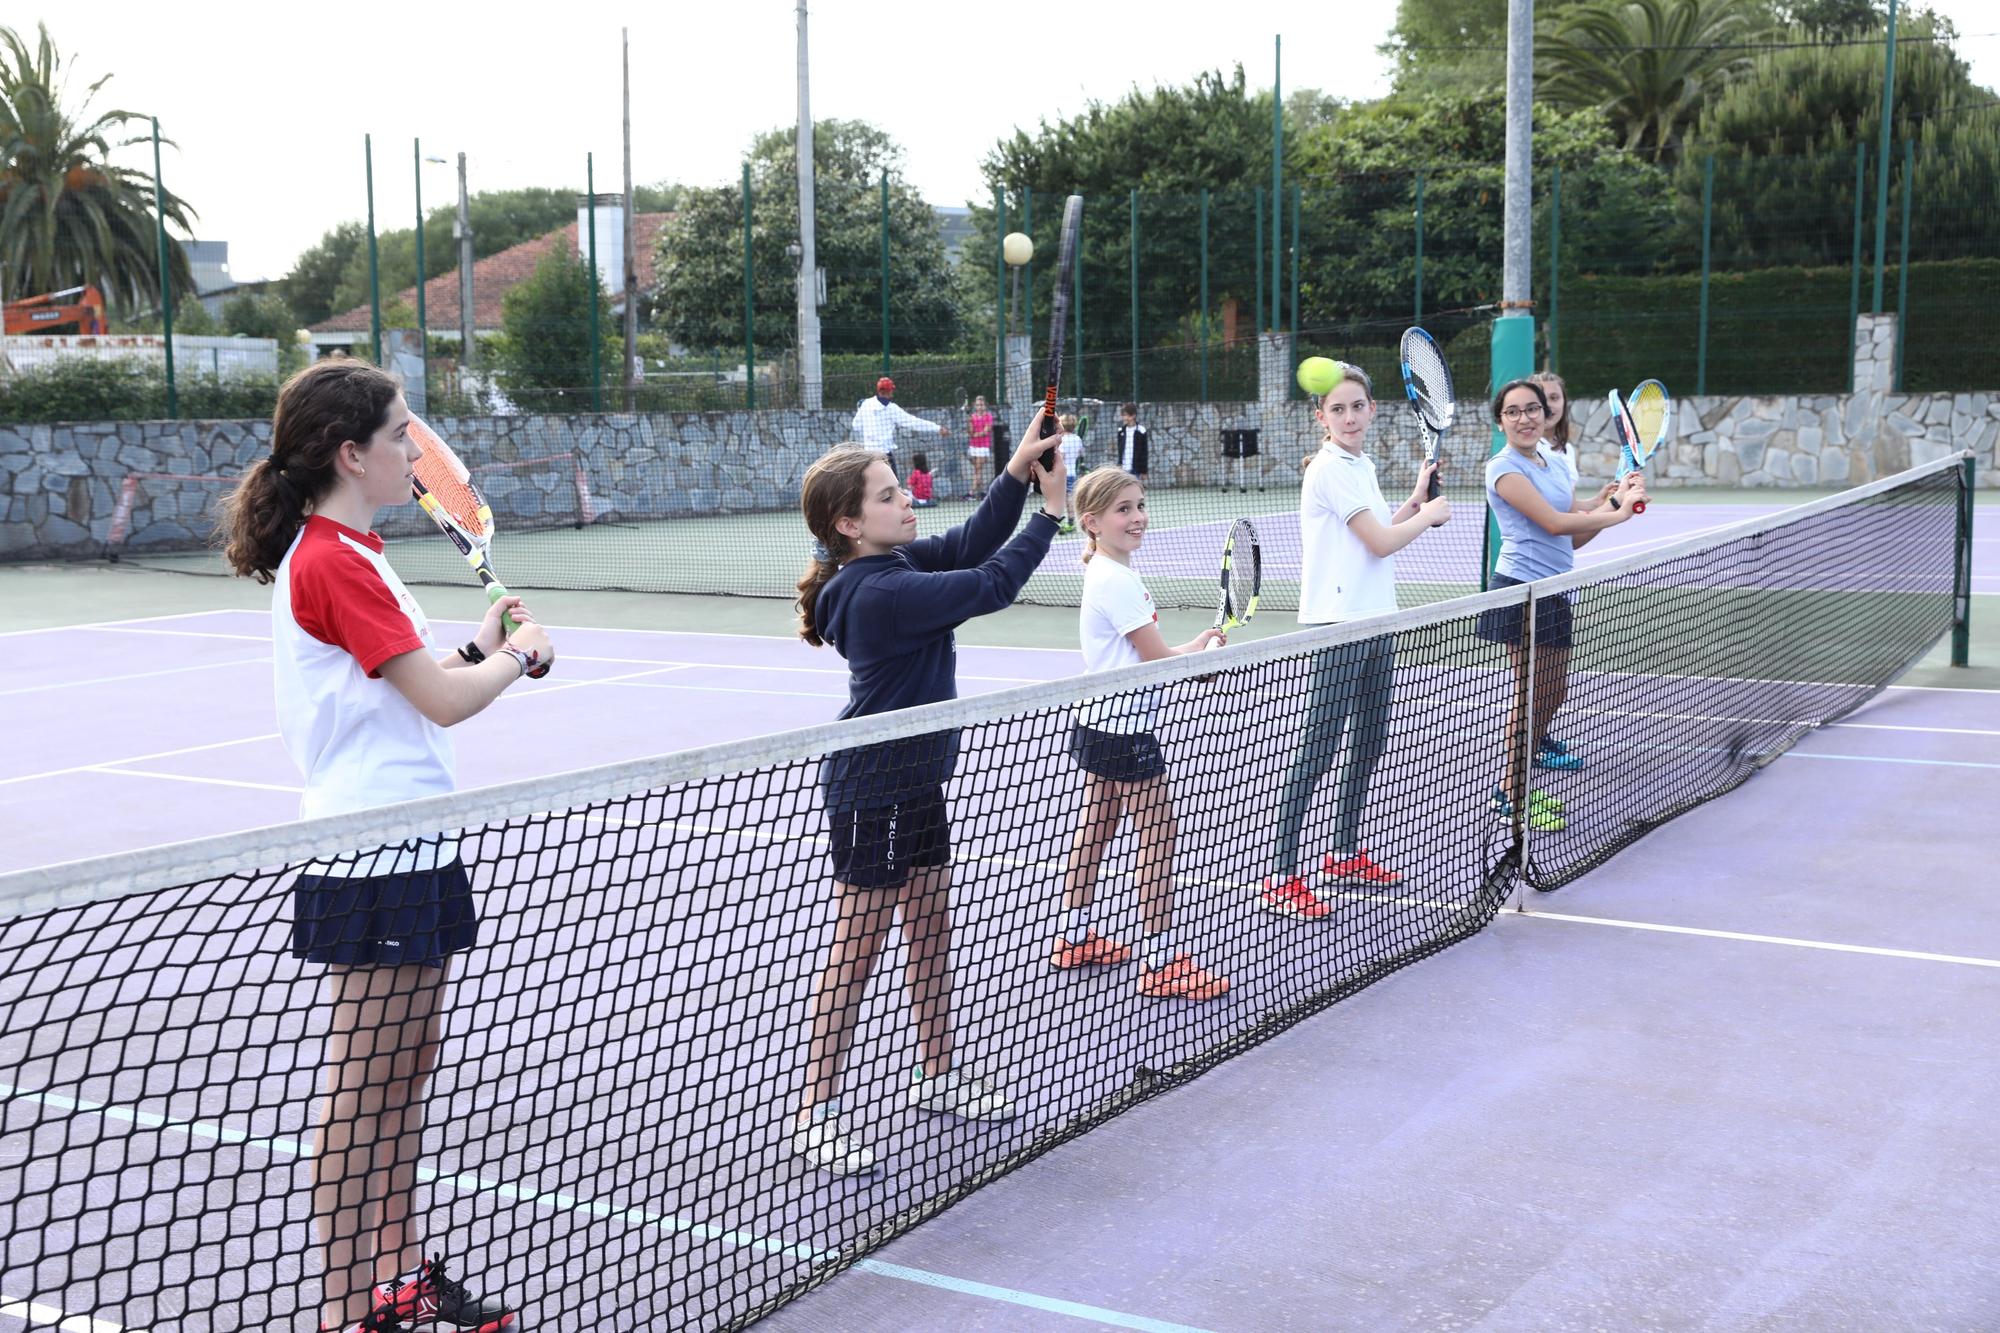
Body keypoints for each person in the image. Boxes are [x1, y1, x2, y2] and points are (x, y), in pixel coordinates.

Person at [218, 359, 547, 1333]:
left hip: (411, 842)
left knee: (405, 1068)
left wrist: (481, 650)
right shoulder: (328, 559)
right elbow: (442, 703)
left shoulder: (355, 554)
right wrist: (517, 661)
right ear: (350, 453)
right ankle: (340, 1309)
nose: (418, 453)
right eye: (401, 436)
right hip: (370, 855)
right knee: (363, 1089)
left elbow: (402, 687)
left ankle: (398, 1272)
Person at [791, 408, 1070, 1176]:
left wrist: (1017, 468)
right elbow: (990, 582)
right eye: (888, 496)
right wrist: (1051, 511)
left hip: (915, 781)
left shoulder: (898, 567)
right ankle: (817, 1110)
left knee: (929, 927)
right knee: (858, 947)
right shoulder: (876, 593)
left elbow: (975, 541)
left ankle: (938, 1071)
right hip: (870, 788)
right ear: (850, 524)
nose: (908, 501)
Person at [1260, 363, 1453, 919]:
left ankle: (1342, 851)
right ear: (1320, 416)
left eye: (1357, 406)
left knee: (1370, 740)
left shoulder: (1359, 464)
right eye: (1337, 408)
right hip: (1337, 624)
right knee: (1318, 751)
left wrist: (1414, 502)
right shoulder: (1329, 468)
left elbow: (1371, 539)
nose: (1348, 416)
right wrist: (1429, 516)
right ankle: (1281, 873)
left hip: (1375, 619)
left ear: (1372, 410)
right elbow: (1383, 543)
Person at [1052, 467, 1231, 999]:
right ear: (1093, 522)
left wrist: (1197, 645)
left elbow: (1146, 653)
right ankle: (1160, 963)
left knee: (1097, 829)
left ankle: (1072, 938)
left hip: (1096, 724)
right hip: (1125, 732)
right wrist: (1204, 658)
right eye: (1123, 510)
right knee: (1158, 837)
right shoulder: (1117, 579)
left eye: (1139, 505)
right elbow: (1158, 662)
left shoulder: (1107, 572)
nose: (1137, 518)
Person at [1477, 378, 1647, 832]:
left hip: (1555, 591)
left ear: (1545, 414)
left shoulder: (1551, 462)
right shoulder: (1503, 469)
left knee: (1554, 694)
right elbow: (1552, 523)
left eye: (1532, 409)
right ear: (1501, 421)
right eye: (1513, 411)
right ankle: (1512, 797)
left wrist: (1611, 503)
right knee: (1531, 695)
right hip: (1520, 588)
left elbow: (1574, 532)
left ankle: (1517, 786)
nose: (1525, 418)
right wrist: (1619, 510)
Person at [850, 375, 944, 478]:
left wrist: (861, 411)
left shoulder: (866, 404)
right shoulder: (892, 409)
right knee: (893, 488)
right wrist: (937, 428)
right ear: (886, 392)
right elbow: (913, 422)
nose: (891, 393)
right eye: (890, 390)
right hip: (884, 456)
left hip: (868, 456)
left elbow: (856, 426)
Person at [1056, 413, 1085, 533]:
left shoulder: (1061, 440)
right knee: (1069, 497)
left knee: (1058, 498)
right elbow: (1080, 454)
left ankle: (1058, 522)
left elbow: (1061, 458)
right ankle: (1071, 523)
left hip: (1062, 474)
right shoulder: (1077, 438)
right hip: (1072, 473)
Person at [967, 394, 995, 498]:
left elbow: (986, 431)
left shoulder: (988, 416)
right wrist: (969, 422)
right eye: (978, 405)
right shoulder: (972, 417)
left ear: (985, 405)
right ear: (975, 405)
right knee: (977, 470)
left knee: (978, 469)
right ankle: (982, 492)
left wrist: (974, 435)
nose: (979, 407)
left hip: (983, 447)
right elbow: (970, 432)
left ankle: (971, 492)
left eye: (981, 405)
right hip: (973, 447)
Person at [1114, 402, 1149, 477]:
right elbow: (1120, 450)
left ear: (1133, 415)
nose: (1124, 418)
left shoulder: (1141, 431)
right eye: (1123, 415)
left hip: (1135, 469)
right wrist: (1119, 464)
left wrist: (1144, 471)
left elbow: (1144, 452)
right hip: (1123, 469)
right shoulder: (1121, 431)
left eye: (1126, 415)